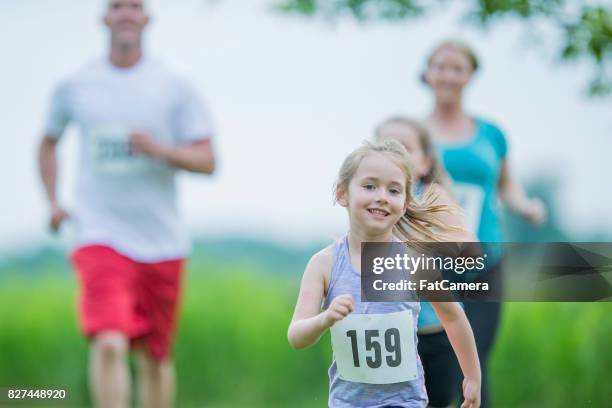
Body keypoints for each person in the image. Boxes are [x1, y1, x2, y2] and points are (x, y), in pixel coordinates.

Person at [37, 1, 216, 407]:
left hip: (162, 240)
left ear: (147, 19)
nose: (126, 14)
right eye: (117, 6)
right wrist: (52, 201)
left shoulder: (176, 83)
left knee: (154, 358)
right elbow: (48, 143)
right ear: (104, 18)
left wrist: (159, 150)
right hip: (98, 232)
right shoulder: (75, 84)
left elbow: (207, 160)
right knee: (109, 342)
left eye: (135, 6)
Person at [287, 140, 481, 408]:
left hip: (406, 402)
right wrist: (325, 318)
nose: (381, 196)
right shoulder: (324, 264)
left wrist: (472, 377)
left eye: (393, 190)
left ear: (404, 203)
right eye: (369, 186)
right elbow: (296, 336)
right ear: (342, 193)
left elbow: (454, 318)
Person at [422, 40, 546, 408]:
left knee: (474, 360)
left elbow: (507, 186)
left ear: (470, 75)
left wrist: (527, 207)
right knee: (434, 362)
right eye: (441, 66)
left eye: (457, 67)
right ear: (428, 73)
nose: (448, 74)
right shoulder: (412, 134)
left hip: (483, 260)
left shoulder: (491, 133)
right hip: (428, 264)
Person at [376, 116, 476, 408]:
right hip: (387, 330)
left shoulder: (432, 196)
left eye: (404, 147)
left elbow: (467, 248)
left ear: (425, 162)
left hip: (435, 331)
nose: (394, 154)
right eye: (385, 147)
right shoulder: (371, 199)